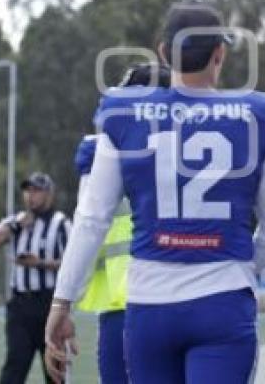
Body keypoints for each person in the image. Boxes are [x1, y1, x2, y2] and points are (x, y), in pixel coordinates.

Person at [44, 1, 265, 384]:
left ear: (163, 52)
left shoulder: (124, 116)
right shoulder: (254, 116)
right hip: (223, 301)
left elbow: (92, 219)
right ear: (219, 53)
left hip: (149, 305)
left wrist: (63, 301)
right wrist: (237, 269)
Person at [72, 63, 171, 384]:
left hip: (125, 302)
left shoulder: (102, 151)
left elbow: (85, 227)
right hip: (181, 296)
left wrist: (64, 301)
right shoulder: (198, 148)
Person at [0, 172, 71, 384]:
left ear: (49, 194)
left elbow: (72, 265)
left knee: (55, 370)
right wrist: (17, 225)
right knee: (15, 365)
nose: (31, 196)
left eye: (37, 191)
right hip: (20, 305)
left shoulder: (61, 223)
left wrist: (39, 263)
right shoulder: (16, 221)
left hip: (49, 305)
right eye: (28, 191)